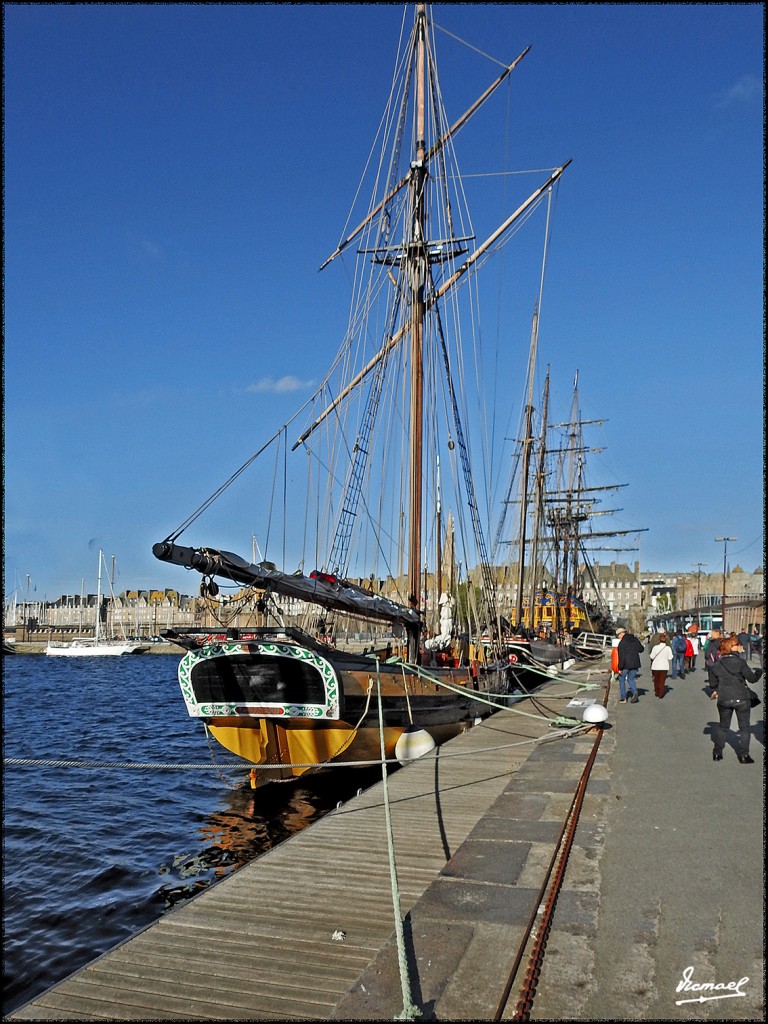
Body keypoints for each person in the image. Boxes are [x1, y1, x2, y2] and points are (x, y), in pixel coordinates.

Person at [709, 635, 762, 763]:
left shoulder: (716, 665)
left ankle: (717, 753)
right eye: (737, 644)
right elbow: (752, 679)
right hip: (742, 698)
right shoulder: (740, 663)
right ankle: (744, 756)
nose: (740, 646)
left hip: (724, 698)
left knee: (723, 727)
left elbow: (712, 684)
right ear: (731, 647)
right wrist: (759, 672)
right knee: (744, 728)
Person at [616, 627, 644, 703]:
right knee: (631, 679)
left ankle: (623, 698)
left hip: (625, 664)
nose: (618, 637)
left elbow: (621, 657)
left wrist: (620, 668)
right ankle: (634, 691)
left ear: (621, 634)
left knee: (621, 680)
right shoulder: (635, 639)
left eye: (618, 635)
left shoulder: (622, 643)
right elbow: (641, 649)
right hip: (635, 663)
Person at [649, 632, 673, 697]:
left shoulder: (655, 647)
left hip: (656, 666)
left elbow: (651, 656)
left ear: (659, 640)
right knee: (662, 680)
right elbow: (670, 657)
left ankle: (657, 691)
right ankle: (661, 692)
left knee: (656, 680)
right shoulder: (668, 648)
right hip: (664, 666)